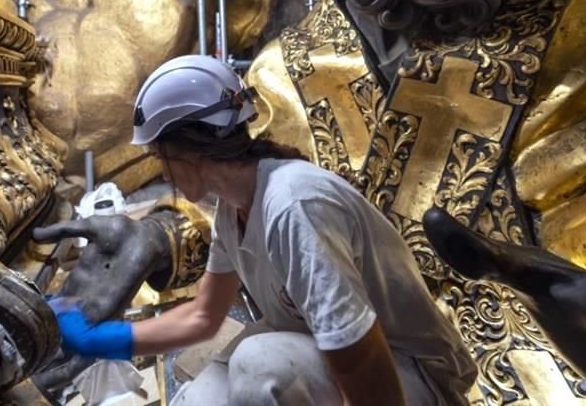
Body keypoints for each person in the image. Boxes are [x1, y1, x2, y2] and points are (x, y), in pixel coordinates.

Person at [46, 54, 477, 406]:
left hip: (408, 372)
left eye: (162, 157)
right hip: (321, 352)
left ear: (188, 151)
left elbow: (359, 351)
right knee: (199, 401)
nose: (164, 170)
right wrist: (103, 340)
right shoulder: (233, 211)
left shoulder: (293, 204)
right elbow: (202, 317)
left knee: (261, 364)